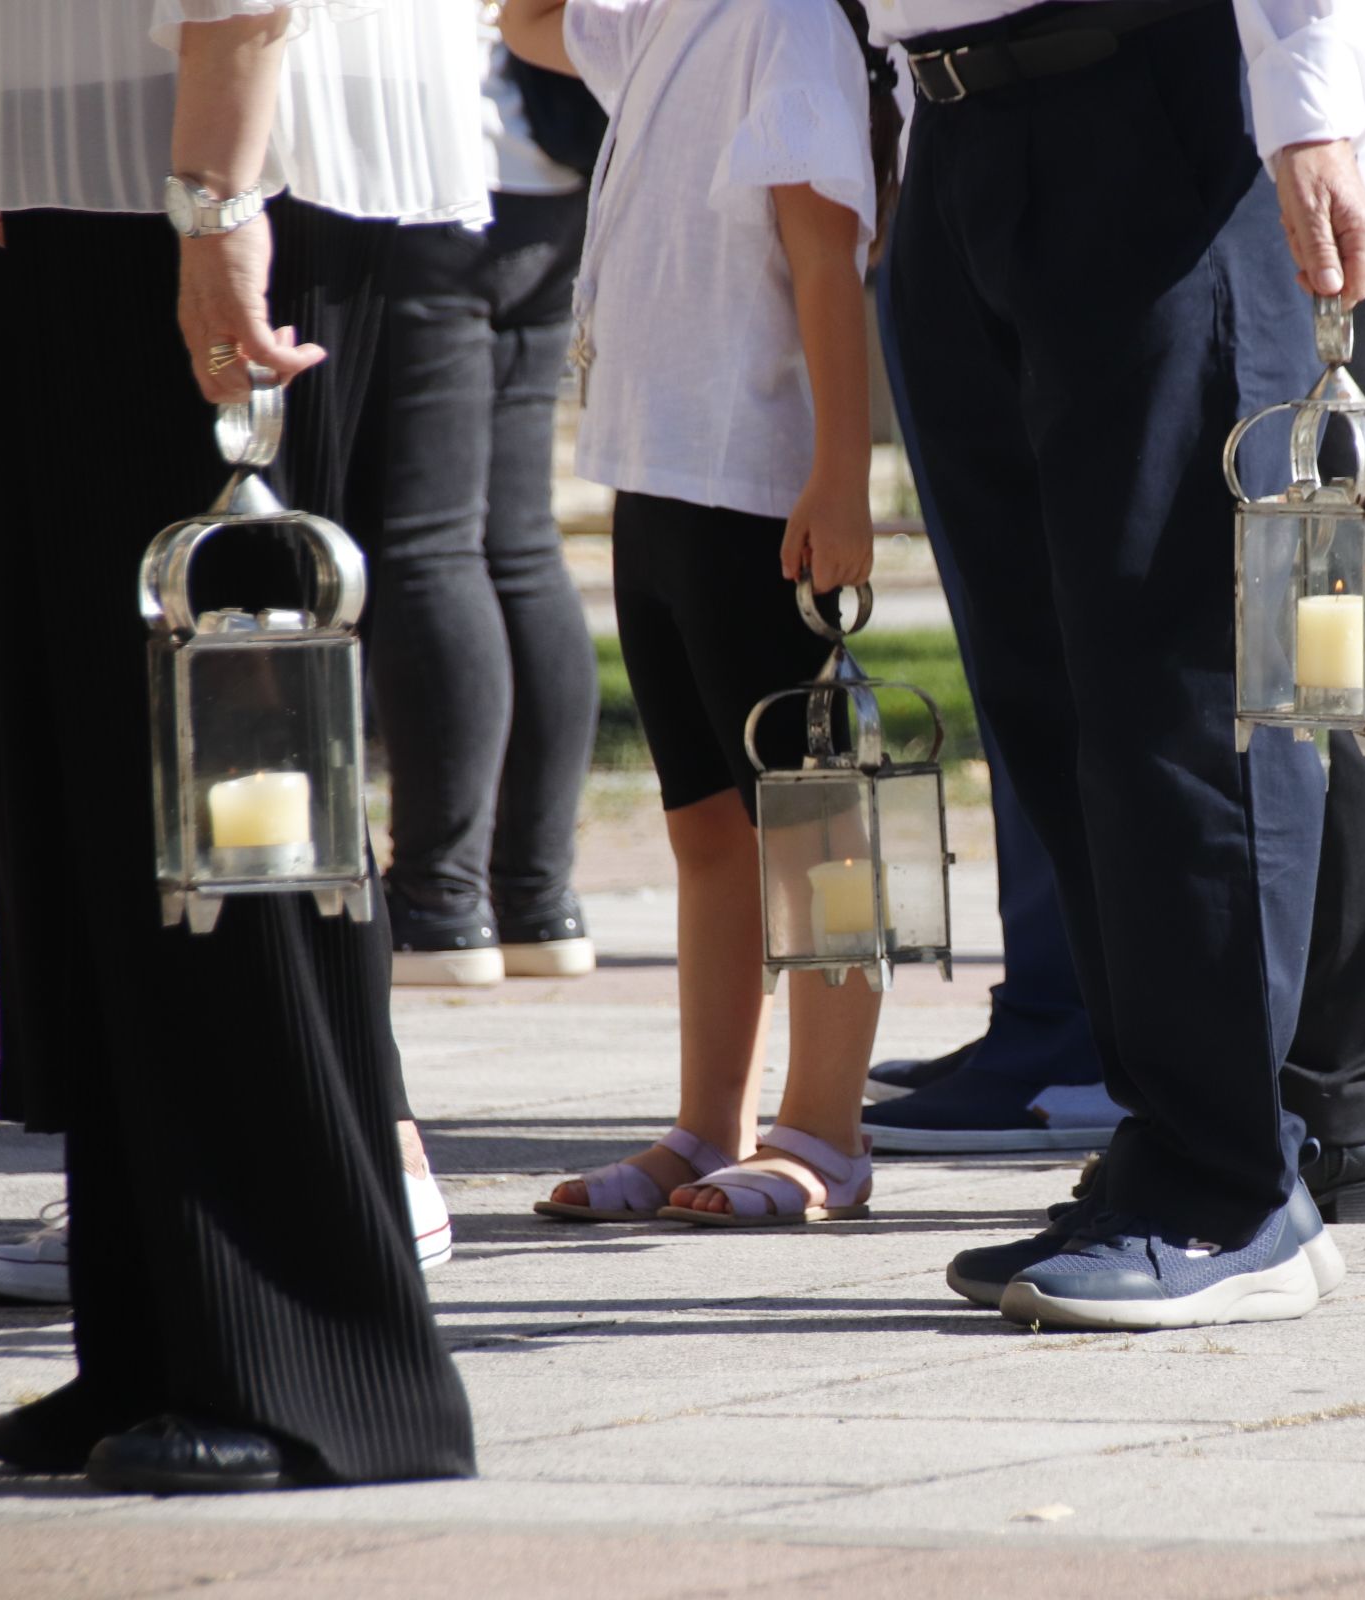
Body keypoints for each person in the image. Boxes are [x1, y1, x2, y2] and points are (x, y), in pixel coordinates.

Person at [0, 0, 481, 1491]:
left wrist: (219, 188)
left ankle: (315, 1363)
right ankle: (161, 1334)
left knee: (232, 751)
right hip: (43, 149)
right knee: (105, 767)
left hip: (182, 148)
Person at [873, 0, 1365, 1330]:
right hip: (956, 115)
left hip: (1150, 87)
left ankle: (1229, 1185)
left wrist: (1307, 99)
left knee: (1179, 675)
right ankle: (1173, 1141)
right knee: (1049, 693)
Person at [506, 0, 904, 1227]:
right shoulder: (666, 17)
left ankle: (824, 1130)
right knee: (705, 828)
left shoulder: (784, 21)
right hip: (655, 481)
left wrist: (840, 477)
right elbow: (527, 23)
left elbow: (824, 257)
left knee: (812, 825)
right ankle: (705, 1123)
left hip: (756, 486)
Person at [353, 35, 604, 989]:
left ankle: (440, 901)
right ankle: (536, 903)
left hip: (431, 169)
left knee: (429, 542)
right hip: (544, 167)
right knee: (518, 540)